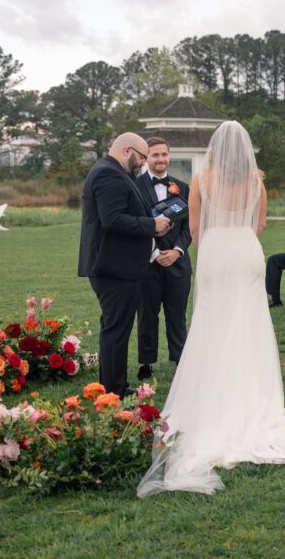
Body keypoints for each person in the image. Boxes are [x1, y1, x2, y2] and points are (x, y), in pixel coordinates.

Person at [136, 120, 285, 497]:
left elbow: (195, 228)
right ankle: (251, 396)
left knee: (212, 322)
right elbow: (259, 224)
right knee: (248, 323)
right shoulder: (256, 180)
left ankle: (213, 393)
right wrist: (240, 237)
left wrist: (215, 244)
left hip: (215, 250)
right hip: (246, 249)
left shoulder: (202, 178)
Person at [79, 133, 173, 397]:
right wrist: (151, 225)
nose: (142, 164)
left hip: (116, 265)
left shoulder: (111, 171)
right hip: (114, 266)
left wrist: (153, 222)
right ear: (127, 150)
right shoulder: (108, 174)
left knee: (115, 328)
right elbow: (113, 219)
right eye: (142, 157)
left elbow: (123, 213)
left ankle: (111, 385)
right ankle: (114, 389)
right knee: (116, 330)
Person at [134, 137, 193, 381]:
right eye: (155, 155)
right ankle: (146, 362)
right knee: (147, 314)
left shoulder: (182, 186)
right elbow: (135, 224)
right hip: (148, 263)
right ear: (146, 158)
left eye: (164, 155)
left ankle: (180, 357)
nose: (160, 159)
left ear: (169, 156)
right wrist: (156, 253)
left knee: (177, 313)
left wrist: (177, 250)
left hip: (178, 262)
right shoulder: (134, 186)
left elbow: (189, 225)